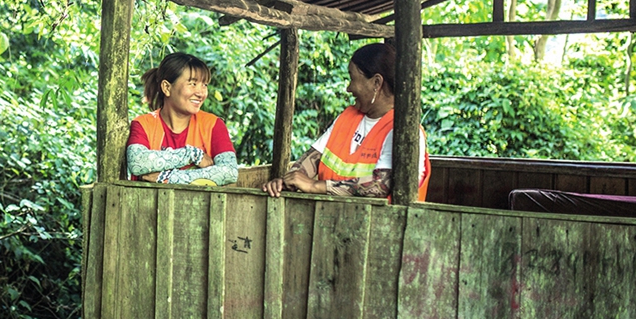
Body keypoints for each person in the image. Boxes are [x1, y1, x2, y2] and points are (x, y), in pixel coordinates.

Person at [263, 43, 429, 200]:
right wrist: (288, 181)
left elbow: (381, 186)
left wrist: (315, 185)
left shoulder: (404, 131)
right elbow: (310, 160)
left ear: (376, 83)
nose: (348, 88)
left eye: (352, 78)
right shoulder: (347, 117)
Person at [126, 52, 238, 185]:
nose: (201, 93)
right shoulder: (143, 124)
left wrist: (167, 178)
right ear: (167, 88)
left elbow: (230, 172)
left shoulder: (213, 125)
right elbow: (137, 163)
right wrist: (192, 155)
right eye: (192, 84)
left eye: (204, 85)